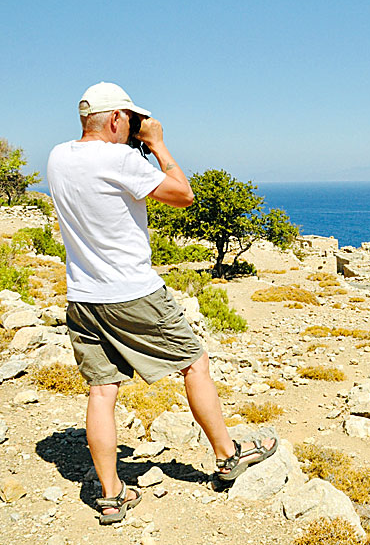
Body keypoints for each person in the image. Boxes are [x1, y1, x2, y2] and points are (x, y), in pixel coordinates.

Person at [47, 82, 276, 525]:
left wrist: (137, 145)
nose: (134, 127)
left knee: (101, 390)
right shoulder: (121, 158)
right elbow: (182, 194)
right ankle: (228, 454)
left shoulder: (58, 157)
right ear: (116, 118)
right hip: (133, 293)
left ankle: (112, 494)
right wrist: (157, 143)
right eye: (131, 120)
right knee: (195, 363)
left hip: (83, 296)